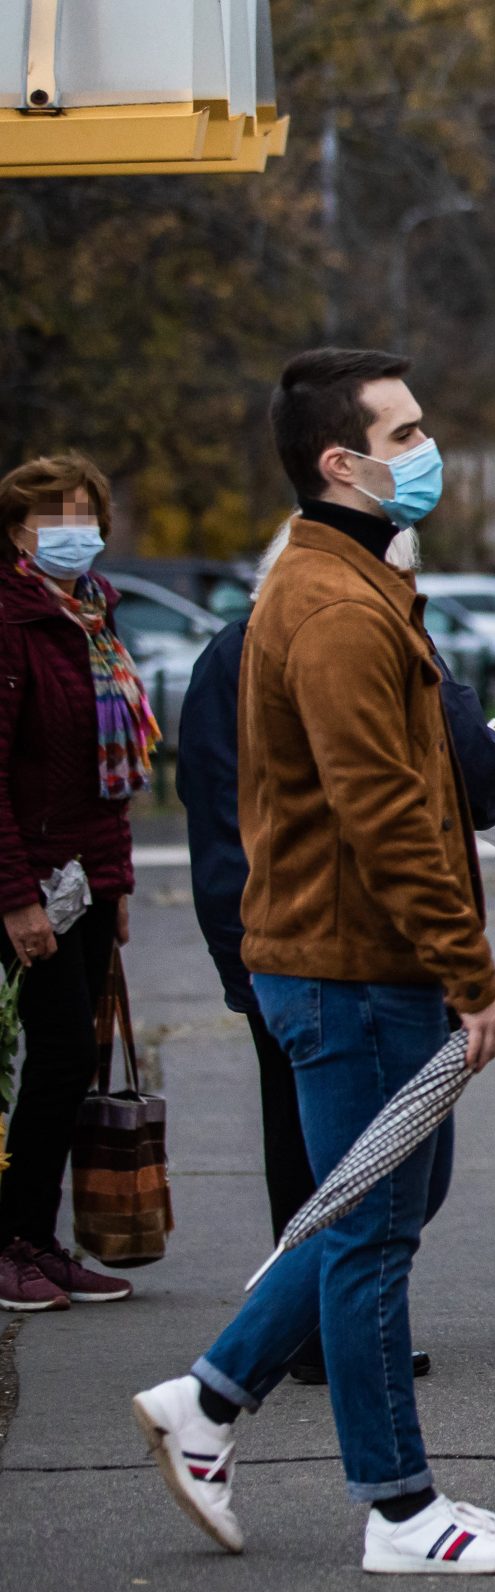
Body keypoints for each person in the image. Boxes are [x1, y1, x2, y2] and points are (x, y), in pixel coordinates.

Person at [132, 347, 495, 1574]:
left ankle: (209, 1401)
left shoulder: (348, 584)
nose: (425, 450)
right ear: (342, 461)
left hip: (356, 964)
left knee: (384, 1200)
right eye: (407, 432)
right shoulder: (330, 607)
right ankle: (401, 1511)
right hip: (349, 967)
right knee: (372, 1229)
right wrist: (468, 977)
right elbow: (384, 813)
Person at [177, 518, 495, 1385]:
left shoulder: (248, 645)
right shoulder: (352, 639)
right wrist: (468, 973)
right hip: (342, 949)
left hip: (289, 941)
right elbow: (417, 800)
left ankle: (256, 1367)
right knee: (371, 1180)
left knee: (373, 1174)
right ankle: (293, 1368)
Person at [0, 452, 149, 1313]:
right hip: (31, 880)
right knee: (52, 1058)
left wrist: (119, 886)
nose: (76, 529)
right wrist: (17, 895)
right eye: (55, 515)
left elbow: (112, 781)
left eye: (87, 512)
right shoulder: (15, 624)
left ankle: (38, 1238)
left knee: (70, 1061)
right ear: (18, 531)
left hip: (87, 879)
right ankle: (14, 1239)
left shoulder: (93, 616)